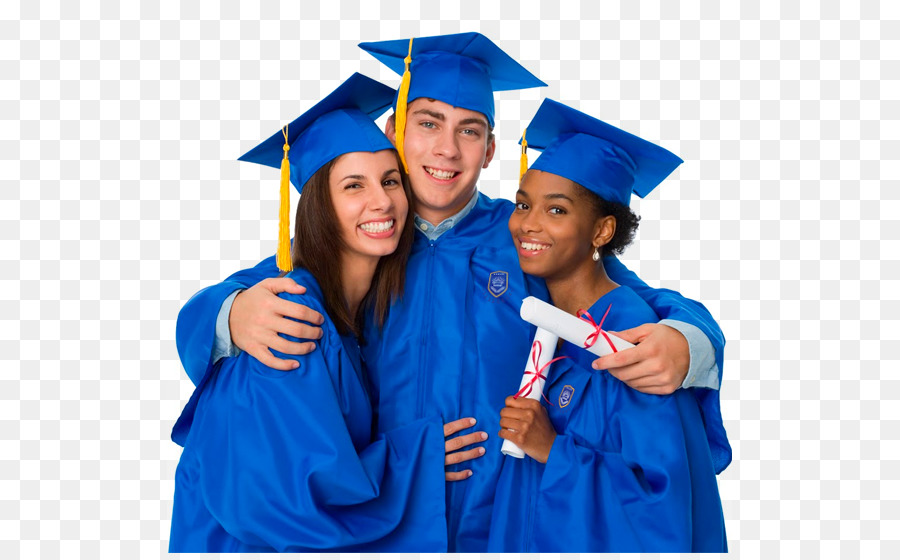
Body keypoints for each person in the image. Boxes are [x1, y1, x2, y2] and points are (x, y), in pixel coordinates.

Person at [174, 33, 730, 552]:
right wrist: (228, 314)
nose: (447, 149)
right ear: (394, 131)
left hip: (500, 523)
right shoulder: (363, 236)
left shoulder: (526, 239)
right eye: (429, 123)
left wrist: (688, 342)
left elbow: (633, 299)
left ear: (490, 150)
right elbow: (241, 295)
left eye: (469, 130)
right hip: (371, 525)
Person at [169, 73, 470, 552]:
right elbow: (283, 500)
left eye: (390, 180)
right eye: (354, 185)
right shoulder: (287, 319)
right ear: (319, 209)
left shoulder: (348, 304)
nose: (382, 201)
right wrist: (419, 456)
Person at [490, 98, 726, 552]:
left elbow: (661, 507)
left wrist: (551, 450)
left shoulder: (634, 343)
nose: (528, 225)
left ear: (601, 232)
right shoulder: (550, 311)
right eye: (522, 205)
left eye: (556, 210)